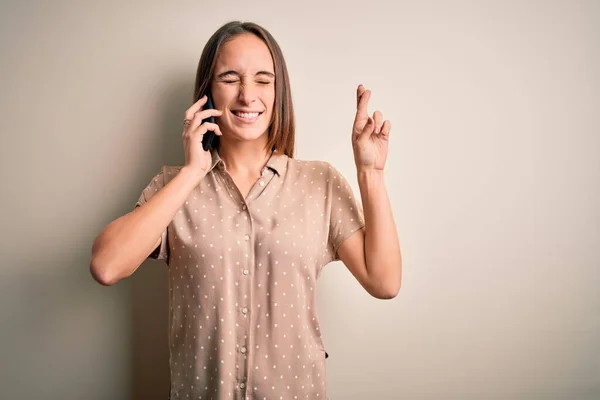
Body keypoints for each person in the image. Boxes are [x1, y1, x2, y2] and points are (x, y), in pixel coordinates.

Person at [90, 20, 402, 400]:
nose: (247, 94)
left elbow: (384, 282)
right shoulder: (173, 188)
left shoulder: (320, 184)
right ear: (207, 92)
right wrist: (193, 171)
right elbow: (107, 266)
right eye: (230, 78)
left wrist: (370, 172)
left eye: (262, 79)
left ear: (279, 91)